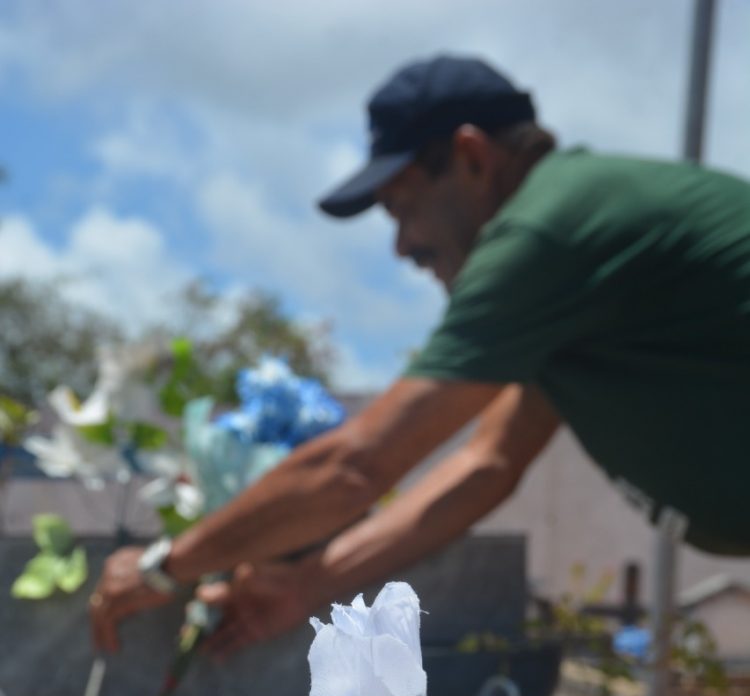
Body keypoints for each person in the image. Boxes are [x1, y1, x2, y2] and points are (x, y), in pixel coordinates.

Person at [90, 53, 750, 655]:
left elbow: (354, 467)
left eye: (403, 205)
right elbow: (487, 464)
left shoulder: (548, 232)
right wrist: (310, 583)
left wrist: (165, 565)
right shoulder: (577, 274)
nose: (401, 247)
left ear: (472, 157)